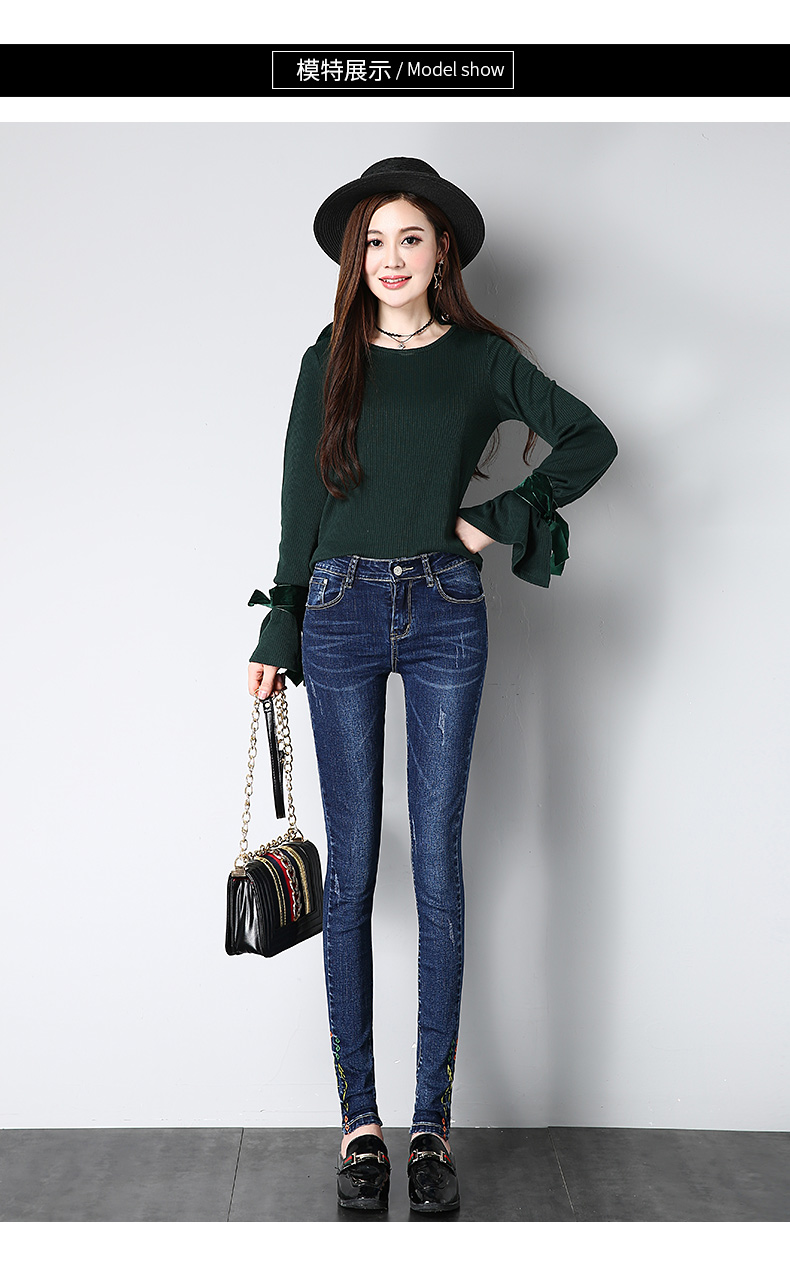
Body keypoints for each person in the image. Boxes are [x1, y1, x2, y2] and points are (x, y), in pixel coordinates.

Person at [246, 157, 617, 1214]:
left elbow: (590, 439)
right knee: (355, 870)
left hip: (447, 608)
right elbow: (301, 506)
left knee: (440, 869)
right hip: (340, 608)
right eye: (374, 241)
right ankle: (360, 1125)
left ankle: (431, 1131)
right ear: (354, 258)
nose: (391, 258)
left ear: (442, 249)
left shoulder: (481, 360)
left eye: (409, 237)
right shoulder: (328, 359)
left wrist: (495, 519)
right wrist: (279, 623)